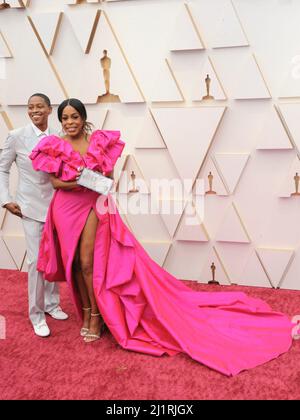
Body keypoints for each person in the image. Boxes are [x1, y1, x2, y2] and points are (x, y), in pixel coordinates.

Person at [30, 98, 295, 376]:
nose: (70, 122)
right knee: (73, 264)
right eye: (65, 118)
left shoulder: (98, 141)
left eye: (74, 117)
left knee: (87, 262)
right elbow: (56, 183)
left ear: (83, 118)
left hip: (94, 205)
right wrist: (83, 179)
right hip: (65, 208)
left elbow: (108, 177)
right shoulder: (54, 145)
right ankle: (85, 310)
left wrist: (95, 180)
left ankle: (96, 317)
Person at [0, 93, 68, 338]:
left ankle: (51, 303)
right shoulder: (17, 137)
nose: (35, 110)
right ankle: (36, 314)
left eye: (40, 106)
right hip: (29, 207)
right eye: (31, 107)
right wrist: (6, 199)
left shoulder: (59, 138)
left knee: (54, 258)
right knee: (37, 261)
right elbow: (2, 168)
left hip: (58, 206)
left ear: (50, 110)